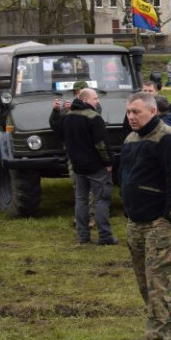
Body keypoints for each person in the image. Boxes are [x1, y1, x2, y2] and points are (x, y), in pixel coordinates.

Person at [119, 91, 171, 340]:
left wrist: (168, 217)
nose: (131, 117)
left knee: (160, 285)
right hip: (136, 222)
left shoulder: (167, 138)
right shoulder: (130, 139)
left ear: (152, 111)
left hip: (161, 225)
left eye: (136, 112)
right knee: (145, 285)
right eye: (128, 112)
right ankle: (165, 332)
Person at [52, 87, 117, 246]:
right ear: (86, 100)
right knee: (101, 200)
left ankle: (83, 237)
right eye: (95, 98)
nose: (98, 101)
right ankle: (105, 236)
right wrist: (108, 163)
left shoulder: (67, 117)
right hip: (96, 167)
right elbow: (101, 144)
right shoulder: (94, 118)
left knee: (81, 201)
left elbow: (59, 133)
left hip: (77, 167)